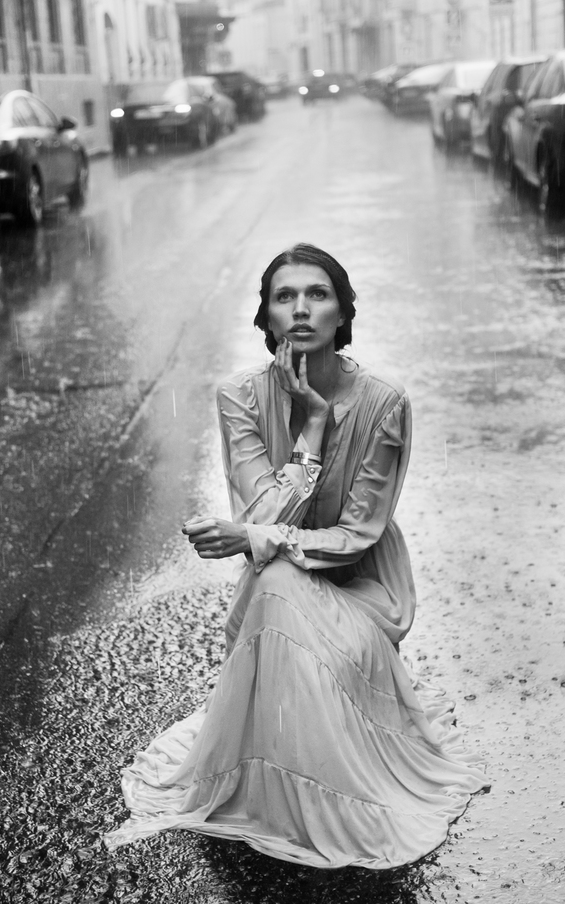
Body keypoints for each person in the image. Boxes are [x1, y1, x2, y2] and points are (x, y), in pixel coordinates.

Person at [104, 243, 488, 868]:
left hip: (359, 587)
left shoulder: (385, 403)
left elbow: (355, 535)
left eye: (318, 294)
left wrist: (261, 539)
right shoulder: (239, 397)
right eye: (285, 297)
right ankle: (282, 787)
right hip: (276, 589)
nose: (302, 309)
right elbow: (264, 516)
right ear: (267, 318)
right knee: (278, 577)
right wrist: (311, 427)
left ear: (343, 312)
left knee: (276, 571)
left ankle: (323, 792)